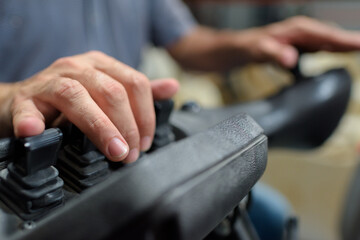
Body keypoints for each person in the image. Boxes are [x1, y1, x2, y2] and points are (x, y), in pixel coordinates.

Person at [1, 0, 360, 164]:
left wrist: (255, 42)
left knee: (269, 216)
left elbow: (186, 42)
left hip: (125, 155)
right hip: (20, 166)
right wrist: (14, 96)